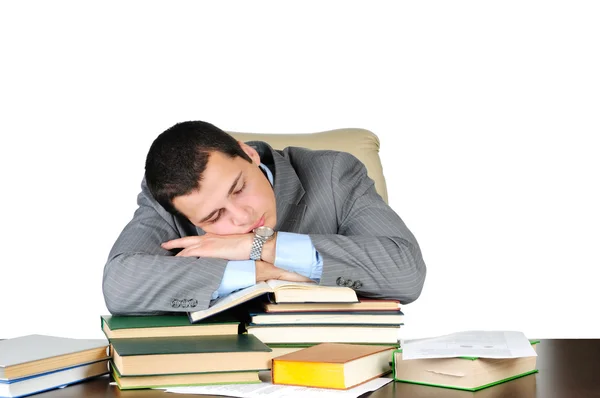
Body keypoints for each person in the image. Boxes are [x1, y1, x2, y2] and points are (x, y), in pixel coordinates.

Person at [102, 121, 426, 315]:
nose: (242, 218)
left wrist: (260, 245)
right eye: (215, 216)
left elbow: (406, 272)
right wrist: (257, 271)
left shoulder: (334, 173)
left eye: (239, 188)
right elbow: (120, 285)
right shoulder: (168, 200)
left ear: (249, 154)